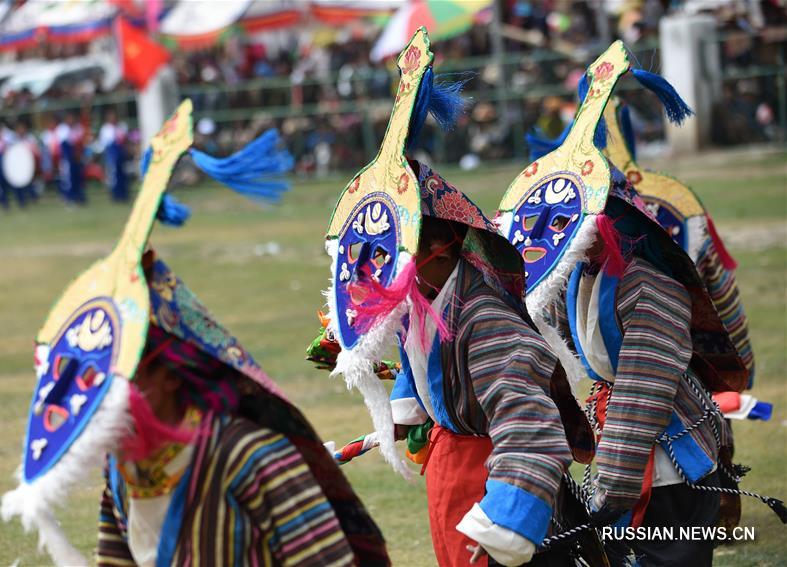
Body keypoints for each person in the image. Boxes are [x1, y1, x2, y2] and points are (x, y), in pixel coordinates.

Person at [2, 99, 387, 567]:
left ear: (170, 372)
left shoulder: (253, 456)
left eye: (126, 373)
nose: (110, 393)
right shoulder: (123, 468)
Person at [319, 30, 593, 567]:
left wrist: (511, 512)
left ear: (441, 242)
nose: (380, 261)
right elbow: (425, 372)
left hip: (490, 479)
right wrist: (393, 420)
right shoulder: (423, 299)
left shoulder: (485, 315)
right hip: (451, 468)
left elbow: (527, 417)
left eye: (398, 243)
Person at [496, 42, 760, 566]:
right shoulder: (579, 276)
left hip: (672, 466)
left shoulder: (648, 284)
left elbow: (643, 395)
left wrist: (607, 491)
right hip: (623, 446)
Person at [97, 109, 130, 202]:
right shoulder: (105, 129)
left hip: (121, 155)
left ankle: (124, 195)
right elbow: (103, 144)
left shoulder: (122, 126)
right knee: (113, 177)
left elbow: (125, 141)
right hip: (112, 156)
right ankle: (115, 195)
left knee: (123, 175)